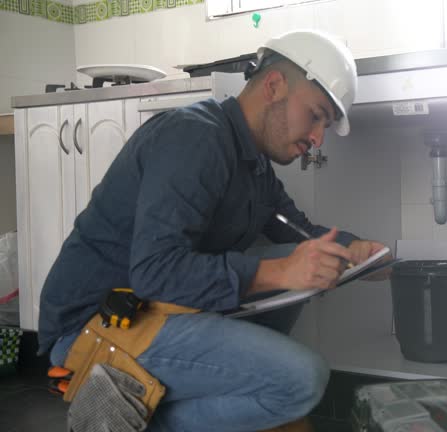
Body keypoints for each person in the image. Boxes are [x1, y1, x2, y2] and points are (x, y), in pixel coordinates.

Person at [38, 30, 387, 432]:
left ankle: (176, 404)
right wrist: (281, 272)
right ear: (274, 86)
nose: (317, 137)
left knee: (293, 260)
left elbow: (298, 232)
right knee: (301, 381)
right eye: (316, 115)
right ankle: (125, 418)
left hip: (154, 311)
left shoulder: (253, 166)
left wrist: (356, 251)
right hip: (95, 326)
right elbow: (154, 273)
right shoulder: (194, 137)